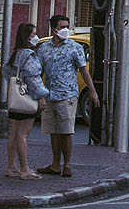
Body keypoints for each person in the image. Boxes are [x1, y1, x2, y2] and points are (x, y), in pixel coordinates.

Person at [36, 14, 99, 177]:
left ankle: (67, 164)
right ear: (54, 29)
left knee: (66, 131)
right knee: (53, 131)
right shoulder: (44, 48)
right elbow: (38, 71)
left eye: (67, 26)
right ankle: (55, 164)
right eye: (62, 26)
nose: (65, 30)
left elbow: (84, 71)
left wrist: (92, 91)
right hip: (49, 95)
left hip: (67, 95)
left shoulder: (74, 47)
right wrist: (38, 93)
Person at [2, 22, 49, 180]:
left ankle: (11, 167)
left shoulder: (15, 53)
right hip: (26, 99)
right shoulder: (29, 55)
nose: (36, 36)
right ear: (28, 37)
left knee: (14, 134)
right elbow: (33, 78)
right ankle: (24, 169)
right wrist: (41, 97)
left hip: (15, 99)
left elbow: (6, 72)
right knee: (23, 134)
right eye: (34, 34)